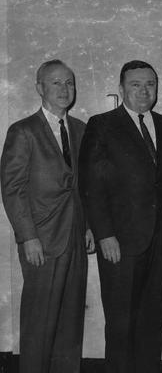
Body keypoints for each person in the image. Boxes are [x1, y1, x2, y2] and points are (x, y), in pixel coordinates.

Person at [78, 60, 162, 373]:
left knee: (152, 321)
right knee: (120, 324)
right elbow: (91, 185)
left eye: (150, 83)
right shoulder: (102, 124)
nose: (144, 90)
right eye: (135, 84)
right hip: (120, 243)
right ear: (121, 89)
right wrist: (105, 233)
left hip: (161, 242)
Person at [0, 59, 93, 373]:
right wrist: (28, 237)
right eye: (56, 83)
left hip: (76, 239)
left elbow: (85, 186)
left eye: (69, 82)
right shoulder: (23, 131)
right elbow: (13, 189)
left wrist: (89, 227)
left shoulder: (81, 129)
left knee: (70, 325)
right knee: (40, 324)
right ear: (39, 88)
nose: (64, 89)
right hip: (41, 241)